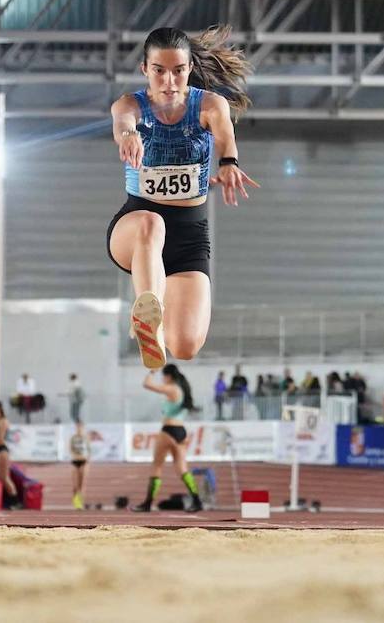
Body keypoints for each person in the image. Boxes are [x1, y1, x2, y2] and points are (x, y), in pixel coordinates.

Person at [106, 26, 258, 368]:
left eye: (178, 71)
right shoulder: (130, 105)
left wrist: (230, 163)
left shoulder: (209, 105)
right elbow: (123, 122)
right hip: (135, 231)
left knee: (185, 346)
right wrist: (129, 136)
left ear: (189, 69)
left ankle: (159, 328)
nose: (169, 81)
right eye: (159, 70)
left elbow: (225, 134)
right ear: (145, 69)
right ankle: (147, 318)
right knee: (152, 223)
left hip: (189, 238)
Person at [134, 364, 203, 512]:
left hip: (168, 430)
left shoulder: (172, 388)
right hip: (181, 431)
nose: (163, 379)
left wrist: (152, 371)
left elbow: (147, 384)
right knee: (182, 468)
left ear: (169, 376)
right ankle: (197, 500)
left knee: (157, 466)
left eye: (163, 376)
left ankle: (147, 503)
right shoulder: (182, 390)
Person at [70, 421, 91, 510]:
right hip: (75, 461)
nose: (79, 429)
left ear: (83, 428)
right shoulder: (73, 438)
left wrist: (87, 459)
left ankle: (80, 503)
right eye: (77, 427)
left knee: (82, 484)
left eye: (80, 427)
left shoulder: (86, 437)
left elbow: (89, 450)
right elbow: (71, 449)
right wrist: (76, 456)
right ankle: (75, 502)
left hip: (84, 461)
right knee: (75, 485)